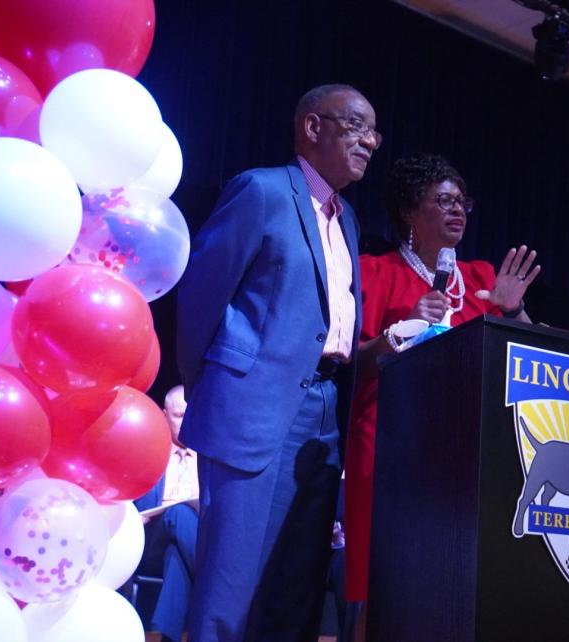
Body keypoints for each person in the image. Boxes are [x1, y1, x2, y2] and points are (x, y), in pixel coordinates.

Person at [176, 83, 379, 642]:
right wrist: (214, 388)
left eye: (374, 133)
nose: (371, 142)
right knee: (232, 584)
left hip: (324, 412)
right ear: (313, 127)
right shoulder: (262, 191)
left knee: (297, 582)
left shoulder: (349, 220)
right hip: (254, 409)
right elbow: (201, 296)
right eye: (358, 127)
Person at [343, 153, 539, 636]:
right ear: (411, 210)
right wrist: (406, 325)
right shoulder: (373, 273)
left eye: (462, 202)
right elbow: (353, 363)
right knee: (385, 581)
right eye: (444, 201)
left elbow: (534, 351)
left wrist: (512, 313)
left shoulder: (481, 278)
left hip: (469, 454)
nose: (458, 211)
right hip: (392, 447)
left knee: (457, 583)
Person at [134, 384, 198, 642]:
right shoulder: (148, 455)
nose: (187, 421)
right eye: (179, 416)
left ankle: (167, 637)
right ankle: (221, 578)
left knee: (177, 555)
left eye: (192, 414)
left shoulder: (210, 462)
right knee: (178, 514)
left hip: (191, 538)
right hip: (151, 539)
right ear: (163, 415)